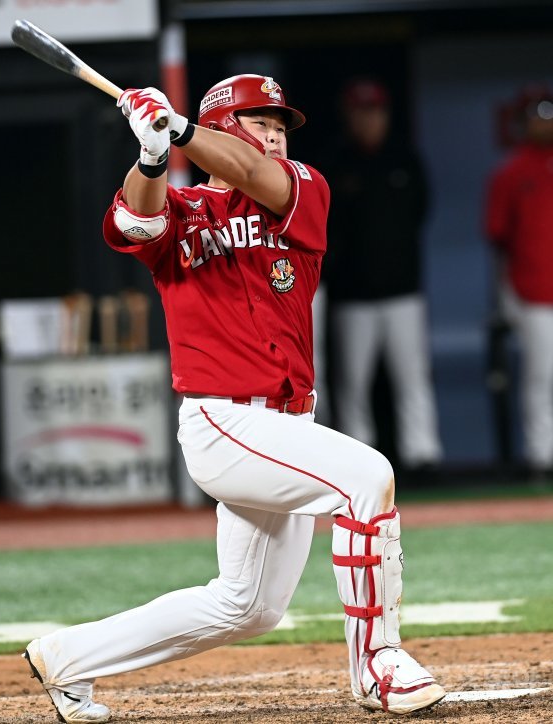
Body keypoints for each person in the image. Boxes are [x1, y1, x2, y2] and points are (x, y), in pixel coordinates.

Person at [23, 74, 445, 722]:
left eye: (280, 127)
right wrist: (153, 155)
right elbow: (136, 219)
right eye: (260, 123)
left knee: (248, 606)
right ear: (222, 128)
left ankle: (68, 656)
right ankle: (377, 664)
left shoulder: (301, 188)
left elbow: (251, 172)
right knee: (368, 478)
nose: (276, 136)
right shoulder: (183, 210)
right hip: (223, 420)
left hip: (287, 423)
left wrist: (179, 129)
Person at [324, 79, 442, 475]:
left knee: (413, 378)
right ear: (348, 116)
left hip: (403, 292)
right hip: (351, 296)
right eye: (361, 112)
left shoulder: (404, 159)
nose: (369, 120)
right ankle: (358, 462)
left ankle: (421, 455)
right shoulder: (336, 163)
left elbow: (421, 213)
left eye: (375, 112)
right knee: (351, 384)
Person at [486, 85, 553, 480]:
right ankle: (542, 458)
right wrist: (504, 297)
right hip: (532, 290)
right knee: (542, 376)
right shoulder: (511, 172)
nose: (544, 122)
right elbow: (497, 237)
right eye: (537, 115)